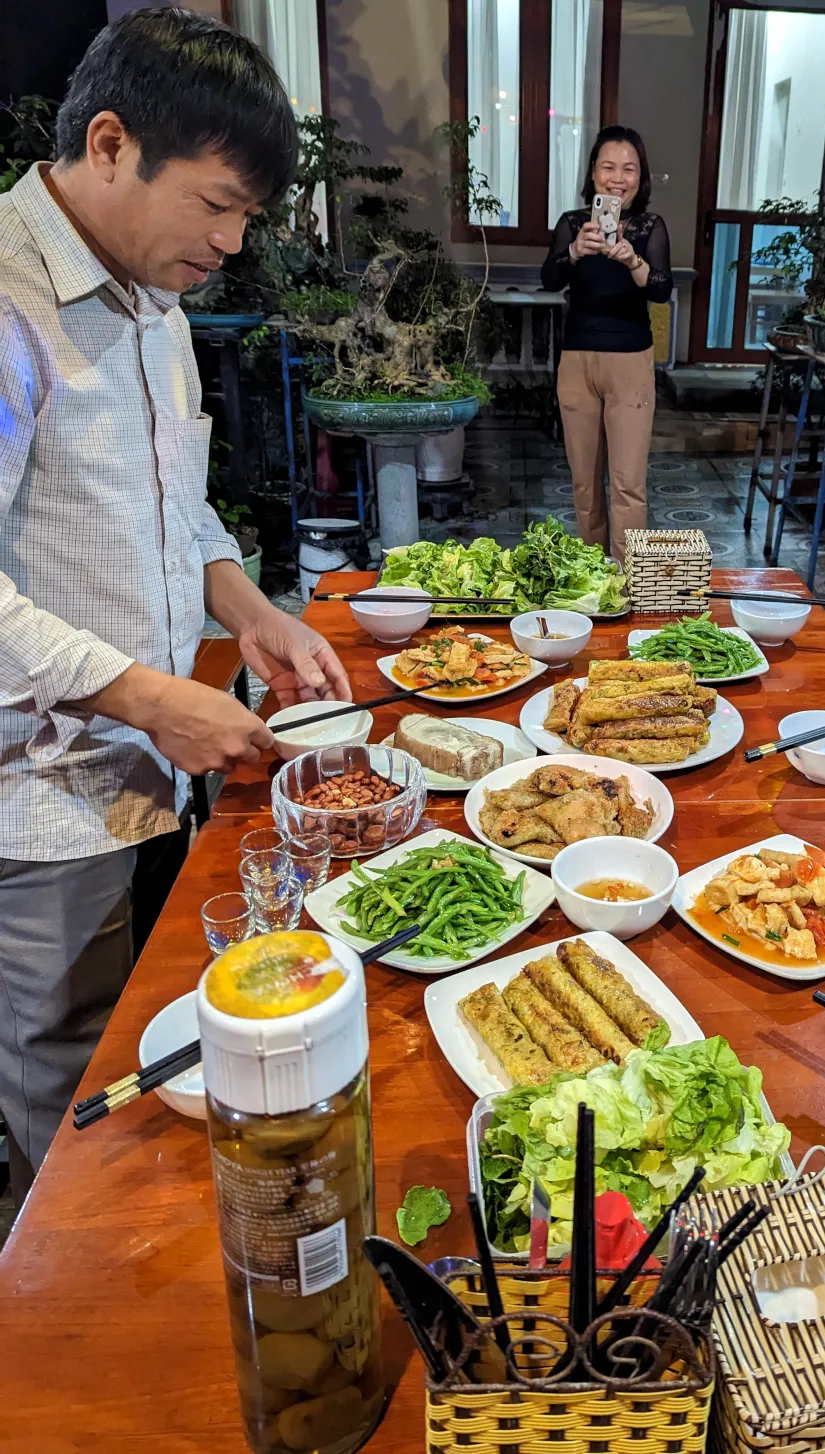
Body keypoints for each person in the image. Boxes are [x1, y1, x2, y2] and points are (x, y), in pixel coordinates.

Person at [0, 7, 351, 1209]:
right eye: (217, 203)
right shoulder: (10, 300)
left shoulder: (149, 294)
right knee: (73, 1101)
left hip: (159, 769)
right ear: (110, 143)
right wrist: (152, 695)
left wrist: (251, 610)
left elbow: (177, 506)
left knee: (173, 1070)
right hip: (46, 801)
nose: (233, 239)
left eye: (248, 214)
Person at [541, 125, 673, 565]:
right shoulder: (572, 224)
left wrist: (632, 259)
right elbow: (550, 278)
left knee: (628, 483)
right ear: (594, 173)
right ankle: (594, 577)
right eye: (609, 166)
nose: (618, 177)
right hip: (577, 363)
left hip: (631, 364)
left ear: (641, 176)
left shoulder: (651, 227)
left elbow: (660, 289)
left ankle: (629, 582)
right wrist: (576, 251)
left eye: (629, 168)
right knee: (584, 482)